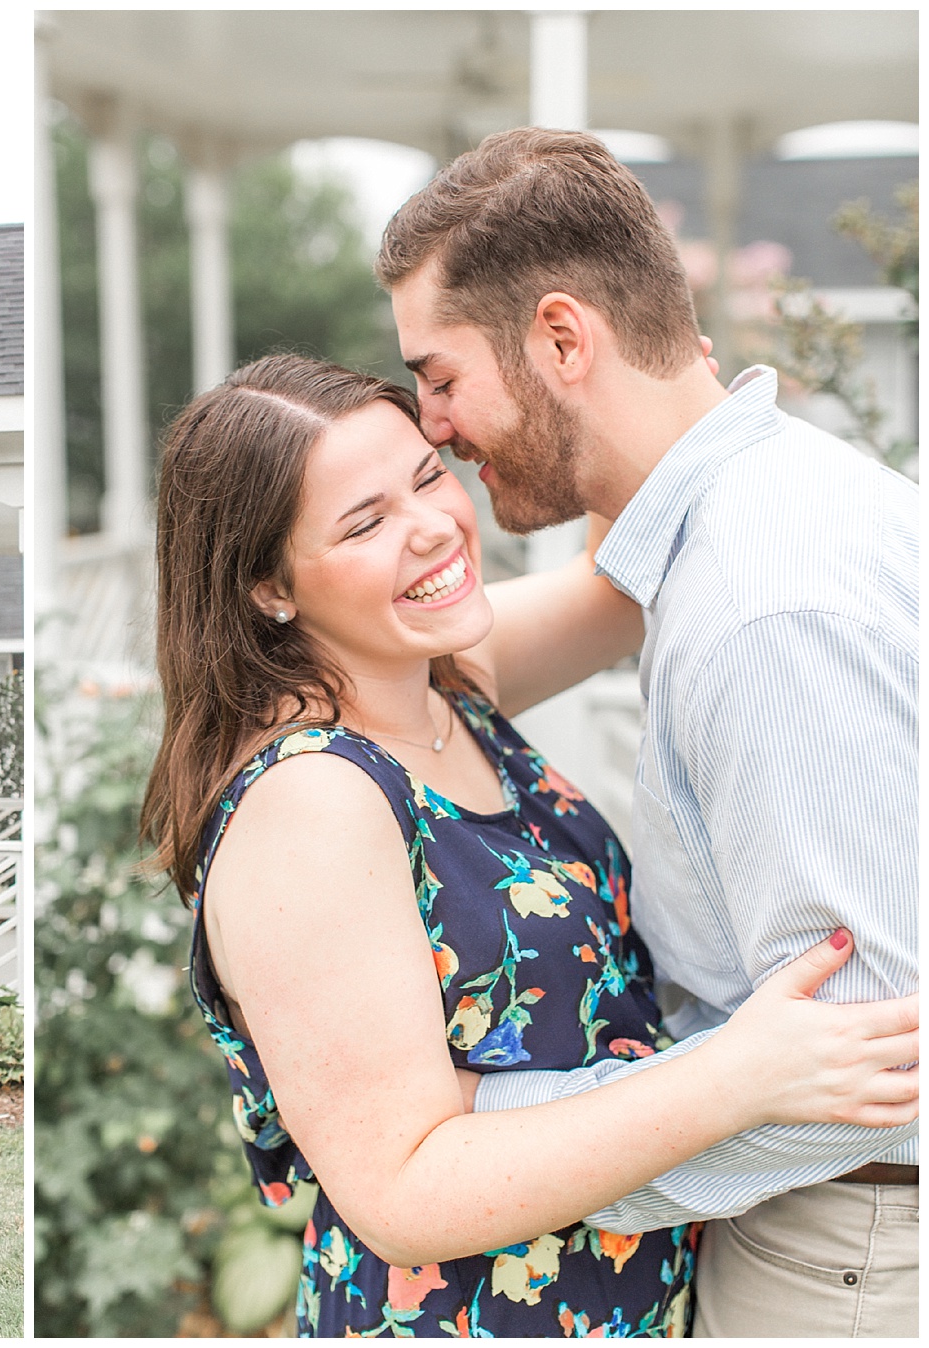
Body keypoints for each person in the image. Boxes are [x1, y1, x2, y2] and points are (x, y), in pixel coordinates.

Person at [142, 352, 917, 1337]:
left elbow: (611, 582)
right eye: (364, 522)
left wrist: (640, 373)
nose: (432, 526)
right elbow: (402, 1191)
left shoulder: (440, 678)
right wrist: (738, 1075)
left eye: (427, 475)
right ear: (269, 588)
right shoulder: (313, 804)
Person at [377, 127, 917, 1337]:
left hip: (849, 1247)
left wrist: (478, 1138)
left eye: (442, 376)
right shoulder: (768, 506)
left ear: (564, 338)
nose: (434, 430)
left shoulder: (762, 610)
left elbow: (878, 1073)